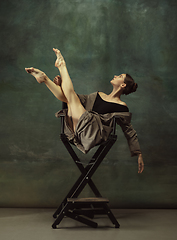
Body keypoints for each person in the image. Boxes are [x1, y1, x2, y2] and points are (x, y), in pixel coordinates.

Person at [25, 48, 144, 173]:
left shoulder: (121, 106)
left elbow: (129, 131)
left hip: (90, 133)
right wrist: (61, 85)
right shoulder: (99, 95)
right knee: (70, 98)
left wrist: (138, 153)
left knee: (71, 98)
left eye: (120, 76)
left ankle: (59, 67)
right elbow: (73, 97)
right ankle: (45, 79)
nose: (115, 76)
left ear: (123, 85)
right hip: (76, 127)